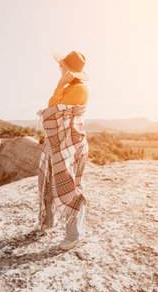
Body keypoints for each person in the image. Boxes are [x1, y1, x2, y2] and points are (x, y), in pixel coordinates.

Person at [35, 50, 89, 251]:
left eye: (62, 66)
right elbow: (54, 110)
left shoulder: (79, 89)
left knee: (70, 188)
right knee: (49, 181)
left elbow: (52, 110)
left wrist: (58, 86)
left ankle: (74, 235)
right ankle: (48, 221)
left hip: (70, 145)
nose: (59, 68)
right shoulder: (69, 87)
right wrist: (60, 87)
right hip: (59, 144)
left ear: (68, 70)